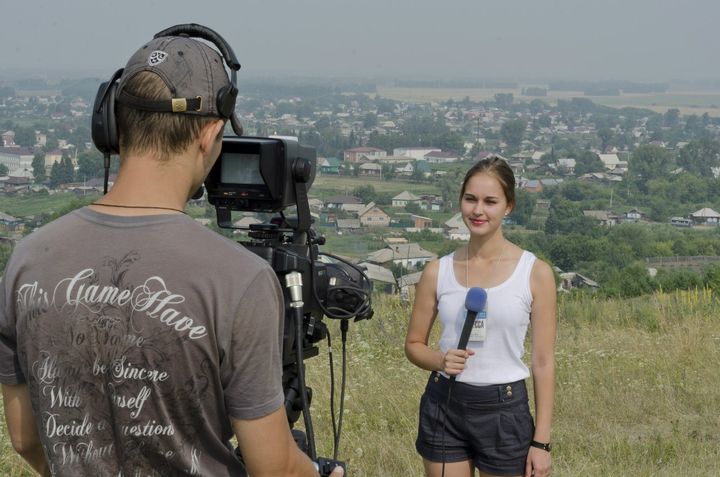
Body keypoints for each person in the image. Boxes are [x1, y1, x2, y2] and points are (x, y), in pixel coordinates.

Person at [0, 28, 342, 477]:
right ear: (209, 134)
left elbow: (25, 438)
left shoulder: (27, 260)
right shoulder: (239, 278)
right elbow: (273, 467)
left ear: (111, 126)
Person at [405, 156, 556, 477]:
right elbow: (414, 345)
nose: (478, 210)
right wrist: (439, 361)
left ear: (509, 206)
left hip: (504, 409)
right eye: (470, 199)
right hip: (444, 403)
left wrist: (541, 442)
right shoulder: (437, 271)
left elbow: (543, 361)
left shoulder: (535, 273)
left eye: (491, 202)